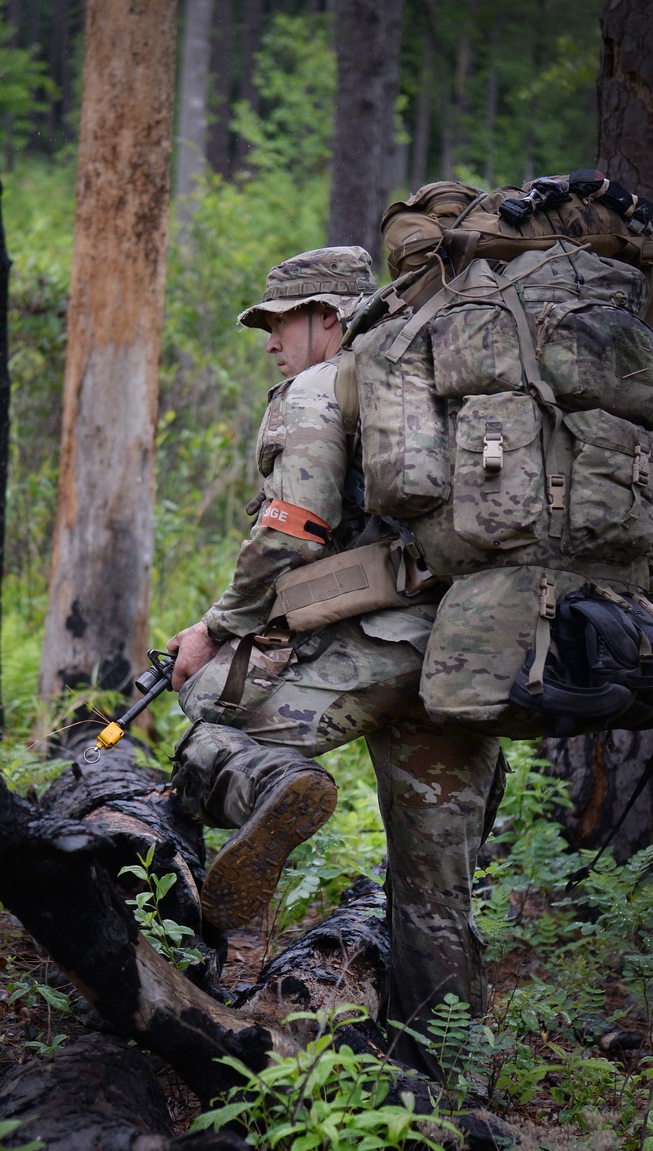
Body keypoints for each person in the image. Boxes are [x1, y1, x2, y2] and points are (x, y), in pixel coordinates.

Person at [166, 246, 505, 1079]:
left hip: (364, 654)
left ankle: (273, 787)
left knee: (207, 716)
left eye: (281, 321)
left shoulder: (325, 387)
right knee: (436, 895)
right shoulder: (452, 385)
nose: (271, 341)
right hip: (463, 655)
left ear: (328, 316)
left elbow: (291, 524)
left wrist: (217, 627)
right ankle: (454, 1084)